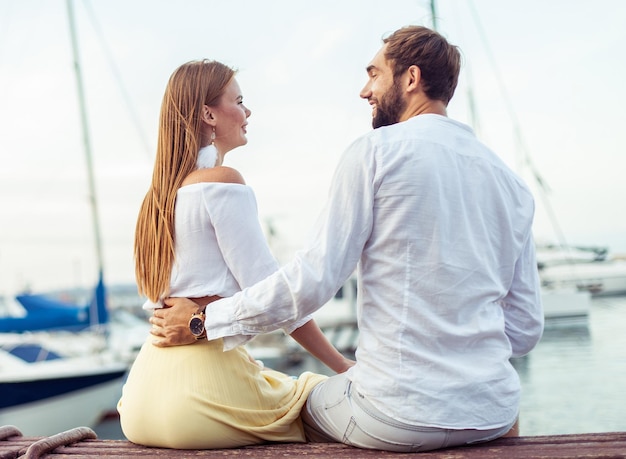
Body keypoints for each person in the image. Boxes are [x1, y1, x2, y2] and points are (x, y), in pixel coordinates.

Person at [152, 26, 544, 453]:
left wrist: (202, 322)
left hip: (396, 416)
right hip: (493, 412)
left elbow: (312, 282)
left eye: (374, 74)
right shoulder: (512, 185)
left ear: (411, 79)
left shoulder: (374, 153)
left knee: (293, 408)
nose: (364, 90)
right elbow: (524, 330)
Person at [117, 59, 353, 450]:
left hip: (140, 401)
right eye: (239, 100)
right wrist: (343, 365)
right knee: (325, 400)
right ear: (209, 113)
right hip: (200, 400)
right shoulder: (223, 183)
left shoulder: (156, 200)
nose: (247, 112)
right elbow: (276, 297)